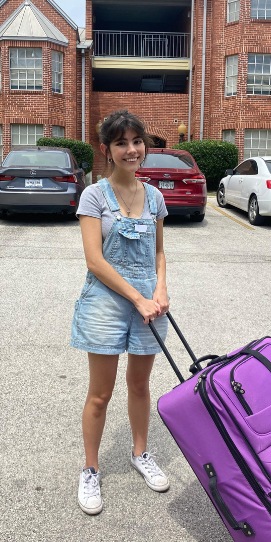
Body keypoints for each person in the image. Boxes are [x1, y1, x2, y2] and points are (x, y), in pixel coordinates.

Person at [70, 109, 171, 515]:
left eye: (136, 141)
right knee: (101, 393)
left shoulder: (155, 196)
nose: (131, 150)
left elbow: (160, 252)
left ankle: (140, 453)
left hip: (149, 303)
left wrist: (160, 288)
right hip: (106, 303)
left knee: (141, 386)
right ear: (107, 150)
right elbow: (94, 260)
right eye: (121, 143)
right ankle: (91, 469)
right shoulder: (94, 196)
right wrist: (138, 297)